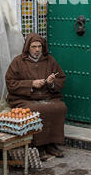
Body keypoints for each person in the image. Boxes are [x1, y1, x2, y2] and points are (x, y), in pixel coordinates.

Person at [5, 32, 67, 161]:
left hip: (47, 96)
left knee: (59, 107)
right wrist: (31, 84)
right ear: (28, 47)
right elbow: (10, 83)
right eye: (34, 47)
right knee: (35, 110)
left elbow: (61, 78)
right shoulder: (18, 62)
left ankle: (51, 144)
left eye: (39, 46)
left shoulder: (50, 60)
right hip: (24, 99)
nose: (37, 50)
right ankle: (38, 146)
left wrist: (51, 83)